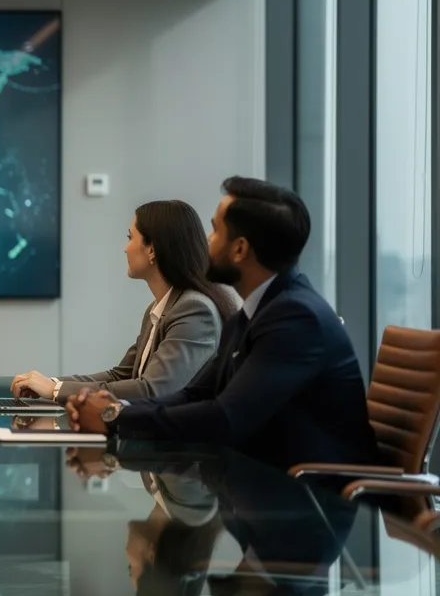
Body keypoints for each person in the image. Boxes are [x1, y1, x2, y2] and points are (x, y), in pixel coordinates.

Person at [68, 177, 380, 470]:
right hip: (258, 496)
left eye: (215, 231)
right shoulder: (258, 311)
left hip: (307, 506)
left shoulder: (296, 319)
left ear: (240, 249)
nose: (205, 242)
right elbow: (193, 395)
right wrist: (117, 412)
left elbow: (225, 417)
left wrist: (114, 418)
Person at [11, 200, 238, 404]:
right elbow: (121, 375)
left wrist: (54, 390)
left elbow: (153, 390)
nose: (125, 247)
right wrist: (50, 384)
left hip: (184, 448)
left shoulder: (195, 310)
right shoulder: (160, 308)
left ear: (152, 250)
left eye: (130, 238)